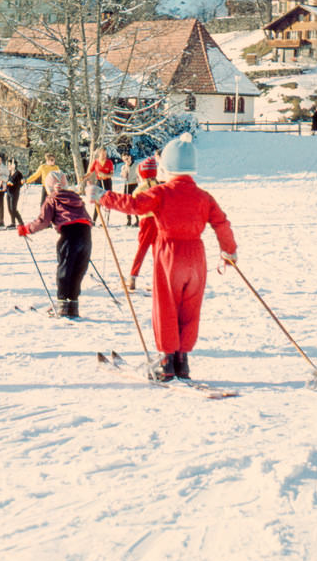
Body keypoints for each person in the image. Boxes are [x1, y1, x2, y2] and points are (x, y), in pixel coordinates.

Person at [91, 133, 237, 381]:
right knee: (190, 307)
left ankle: (167, 361)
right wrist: (228, 251)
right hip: (196, 256)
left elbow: (134, 205)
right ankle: (183, 360)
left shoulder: (162, 193)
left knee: (166, 306)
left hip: (170, 253)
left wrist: (103, 196)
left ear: (167, 167)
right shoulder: (204, 196)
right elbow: (221, 223)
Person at [17, 170, 92, 318]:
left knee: (65, 269)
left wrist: (27, 229)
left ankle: (63, 306)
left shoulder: (52, 199)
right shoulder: (76, 197)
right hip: (85, 234)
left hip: (69, 235)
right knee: (78, 270)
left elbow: (43, 221)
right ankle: (73, 305)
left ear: (49, 187)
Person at [127, 156, 160, 291]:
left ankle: (133, 276)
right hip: (158, 222)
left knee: (141, 249)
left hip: (146, 221)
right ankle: (158, 279)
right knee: (157, 251)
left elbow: (134, 202)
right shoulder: (159, 187)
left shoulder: (141, 189)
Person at [86, 147, 113, 224]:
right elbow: (90, 172)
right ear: (99, 154)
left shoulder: (109, 162)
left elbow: (111, 174)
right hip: (99, 182)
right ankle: (94, 220)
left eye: (105, 154)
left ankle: (106, 220)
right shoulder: (96, 162)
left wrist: (105, 175)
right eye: (102, 154)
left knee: (107, 201)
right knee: (97, 201)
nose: (104, 155)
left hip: (107, 182)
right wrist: (85, 178)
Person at [119, 151, 138, 226]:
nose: (126, 161)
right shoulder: (123, 167)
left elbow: (139, 174)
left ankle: (137, 219)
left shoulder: (136, 165)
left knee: (134, 203)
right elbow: (122, 176)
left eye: (127, 159)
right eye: (124, 160)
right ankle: (129, 220)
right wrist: (124, 175)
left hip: (134, 185)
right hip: (126, 185)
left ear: (130, 157)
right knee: (127, 203)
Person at [5, 159, 24, 228]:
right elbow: (8, 182)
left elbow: (21, 183)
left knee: (13, 208)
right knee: (9, 209)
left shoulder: (18, 173)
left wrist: (14, 184)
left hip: (14, 193)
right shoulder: (10, 173)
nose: (8, 166)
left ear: (14, 165)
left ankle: (21, 222)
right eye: (8, 165)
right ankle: (13, 222)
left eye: (10, 165)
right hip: (9, 192)